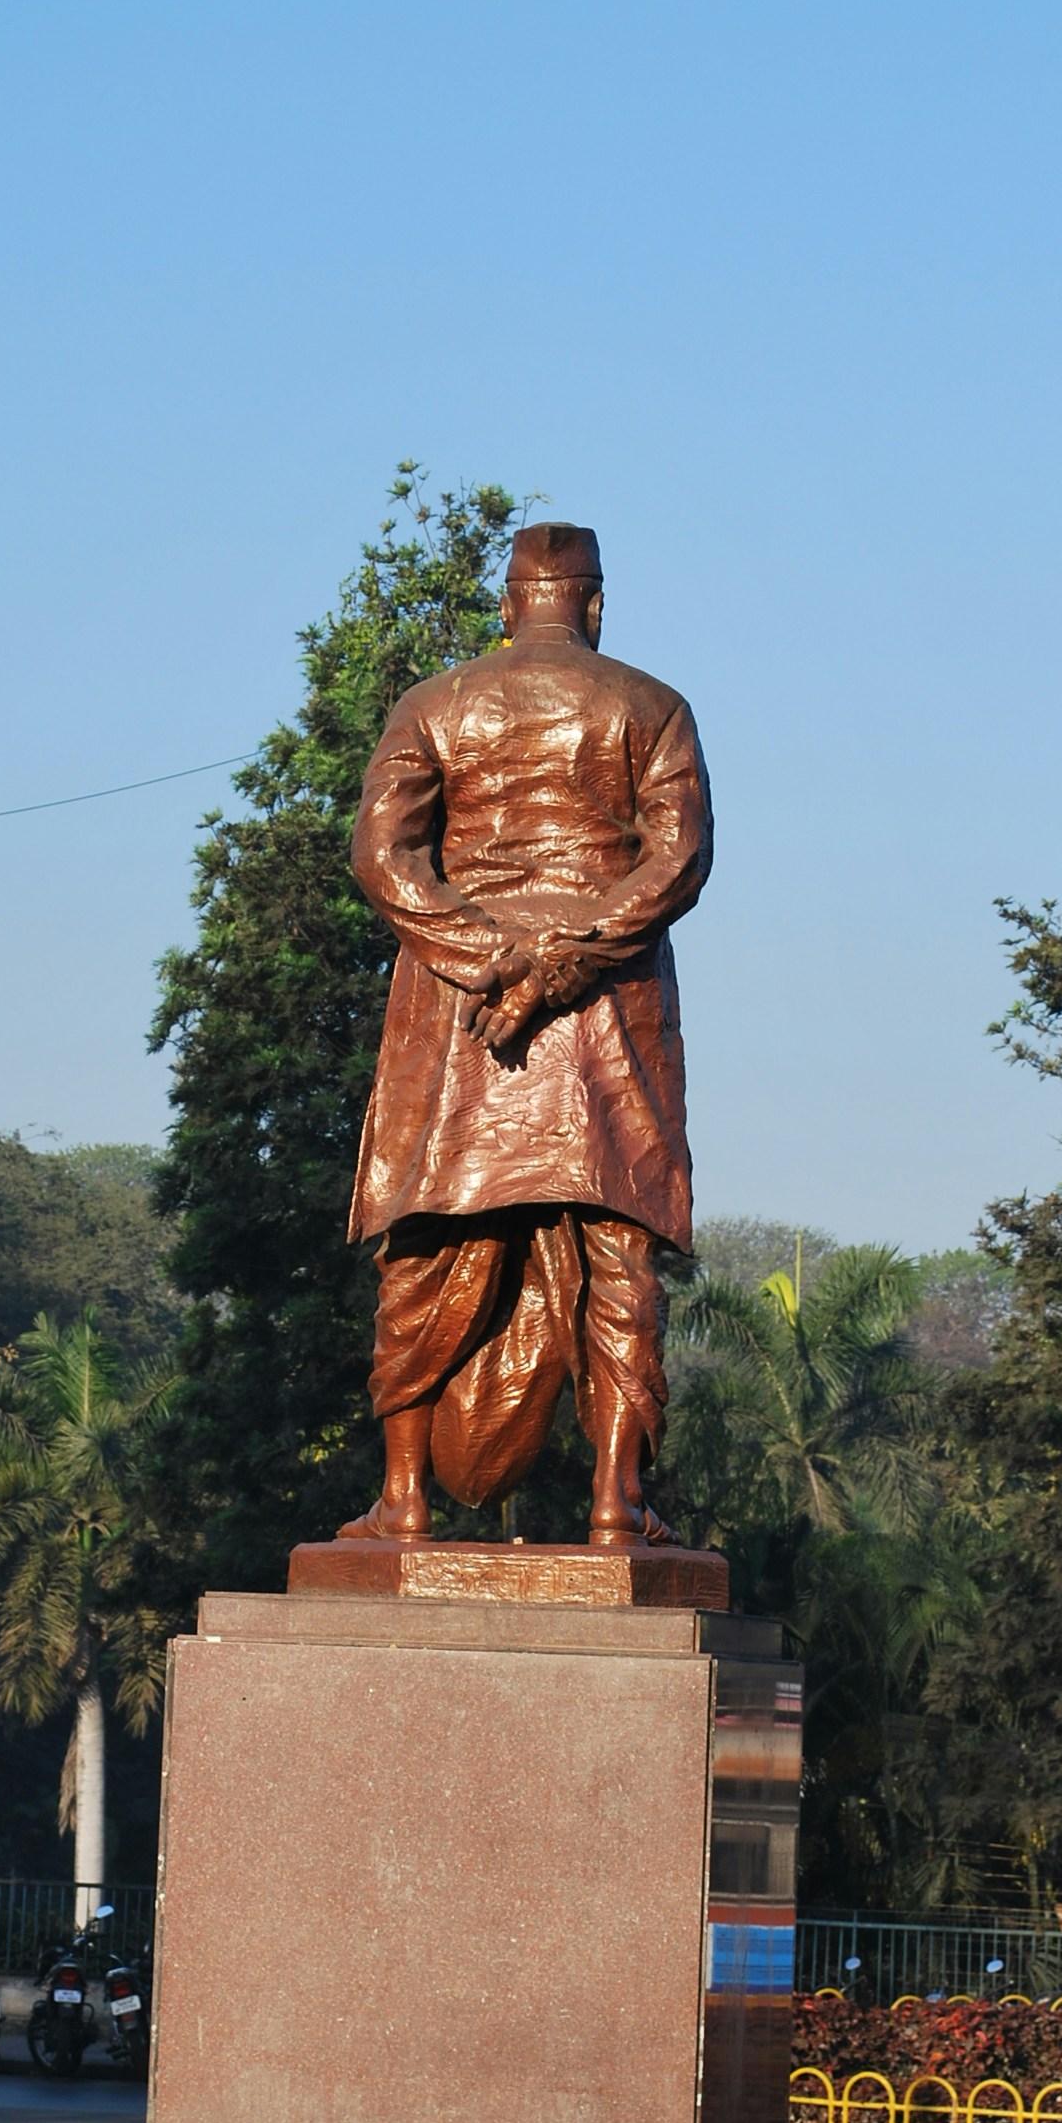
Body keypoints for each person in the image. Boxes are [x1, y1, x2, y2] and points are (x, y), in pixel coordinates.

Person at [340, 520, 712, 1542]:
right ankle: (614, 1502)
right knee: (615, 1253)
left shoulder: (434, 706)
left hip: (459, 1022)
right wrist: (565, 959)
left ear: (508, 605)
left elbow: (383, 858)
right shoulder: (652, 706)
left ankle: (403, 1500)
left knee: (427, 1241)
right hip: (608, 1019)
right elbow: (675, 864)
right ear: (594, 604)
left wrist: (490, 956)